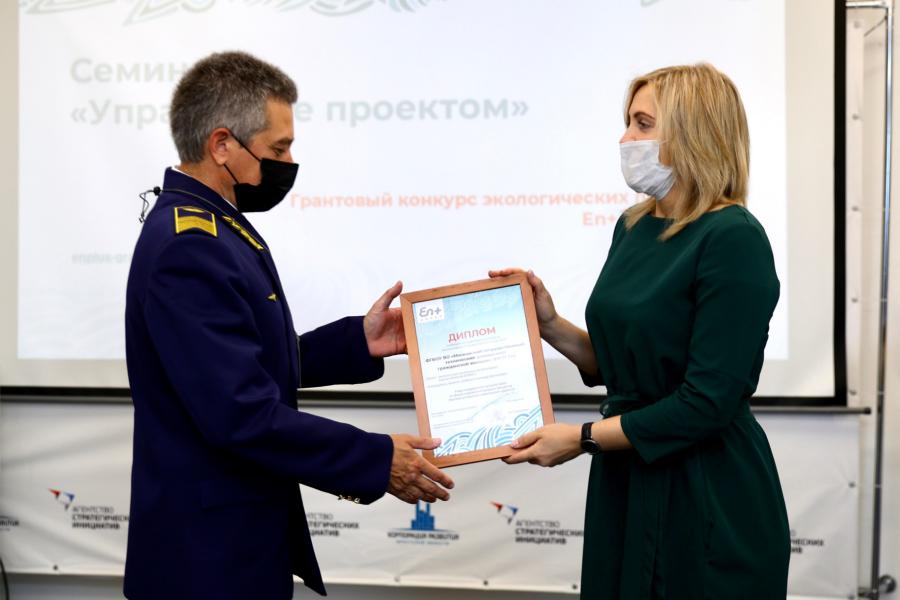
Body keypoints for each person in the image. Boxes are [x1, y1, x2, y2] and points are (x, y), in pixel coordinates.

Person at [124, 51, 453, 600]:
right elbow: (240, 413)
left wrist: (359, 342)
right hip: (206, 561)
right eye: (278, 149)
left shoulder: (214, 226)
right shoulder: (191, 245)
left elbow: (245, 362)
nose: (289, 162)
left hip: (230, 544)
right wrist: (374, 459)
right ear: (222, 144)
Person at [491, 64, 790, 599]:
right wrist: (550, 324)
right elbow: (622, 363)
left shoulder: (733, 237)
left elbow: (706, 401)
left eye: (643, 124)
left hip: (703, 485)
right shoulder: (632, 225)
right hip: (627, 476)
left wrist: (583, 438)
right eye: (628, 122)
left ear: (695, 133)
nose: (625, 139)